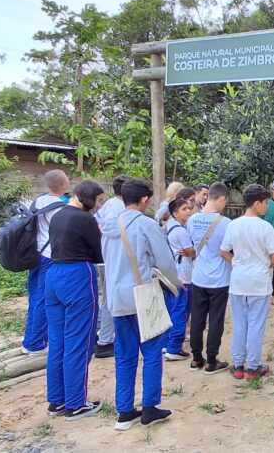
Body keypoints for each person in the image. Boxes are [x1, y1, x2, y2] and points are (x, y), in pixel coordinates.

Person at [102, 179, 182, 431]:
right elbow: (166, 262)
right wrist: (175, 285)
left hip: (116, 298)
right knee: (151, 352)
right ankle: (149, 406)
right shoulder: (146, 225)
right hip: (143, 296)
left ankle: (124, 411)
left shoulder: (108, 225)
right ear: (145, 200)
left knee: (124, 355)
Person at [44, 180, 105, 420]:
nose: (99, 206)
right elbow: (98, 252)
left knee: (57, 341)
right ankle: (76, 403)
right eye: (99, 201)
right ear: (89, 198)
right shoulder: (85, 219)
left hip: (54, 275)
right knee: (79, 341)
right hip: (77, 275)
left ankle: (57, 400)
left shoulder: (57, 215)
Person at [220, 184, 274, 381]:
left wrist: (237, 263)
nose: (267, 206)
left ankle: (238, 364)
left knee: (240, 323)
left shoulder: (233, 224)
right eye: (265, 202)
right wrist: (265, 266)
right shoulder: (265, 227)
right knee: (256, 324)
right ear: (257, 203)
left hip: (238, 281)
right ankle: (253, 367)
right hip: (259, 282)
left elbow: (224, 251)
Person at [22, 169, 70, 356]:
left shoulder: (38, 201)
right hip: (50, 257)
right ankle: (35, 343)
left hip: (36, 253)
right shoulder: (60, 207)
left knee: (35, 297)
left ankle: (29, 339)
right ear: (63, 184)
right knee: (44, 299)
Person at [187, 181, 231, 374]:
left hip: (198, 277)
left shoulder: (192, 219)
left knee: (197, 318)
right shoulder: (225, 223)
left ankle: (196, 358)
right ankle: (212, 360)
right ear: (221, 198)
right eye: (225, 201)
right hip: (219, 279)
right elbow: (229, 249)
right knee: (216, 320)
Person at [94, 175, 131, 359]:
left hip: (105, 256)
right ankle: (105, 341)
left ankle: (104, 335)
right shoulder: (120, 210)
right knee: (111, 299)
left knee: (108, 297)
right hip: (113, 260)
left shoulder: (109, 205)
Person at [163, 197, 198, 361]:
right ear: (175, 213)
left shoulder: (170, 226)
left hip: (173, 273)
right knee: (180, 310)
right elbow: (191, 251)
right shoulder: (180, 231)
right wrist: (194, 251)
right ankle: (174, 347)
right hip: (183, 275)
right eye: (184, 209)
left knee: (173, 309)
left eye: (188, 208)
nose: (188, 211)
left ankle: (167, 343)